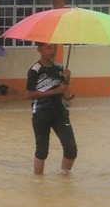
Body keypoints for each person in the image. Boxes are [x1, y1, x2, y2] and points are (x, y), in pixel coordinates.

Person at [26, 42, 77, 175]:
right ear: (39, 49)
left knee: (71, 148)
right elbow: (29, 94)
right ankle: (38, 183)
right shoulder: (35, 70)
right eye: (49, 47)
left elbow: (66, 95)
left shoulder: (60, 68)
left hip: (59, 112)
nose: (52, 50)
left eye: (55, 48)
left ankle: (65, 179)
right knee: (42, 150)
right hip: (41, 113)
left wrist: (67, 80)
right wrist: (54, 91)